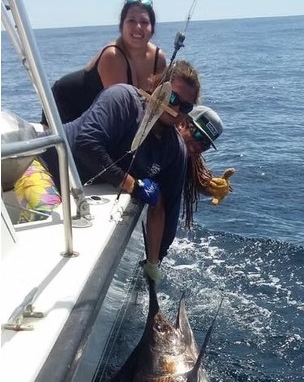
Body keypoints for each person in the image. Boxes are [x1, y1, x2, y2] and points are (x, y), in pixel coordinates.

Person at [41, 60, 201, 282]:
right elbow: (87, 145)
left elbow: (168, 208)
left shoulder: (174, 150)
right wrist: (133, 185)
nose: (175, 109)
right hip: (42, 167)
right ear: (157, 86)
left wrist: (154, 262)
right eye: (172, 98)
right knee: (40, 229)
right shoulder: (122, 98)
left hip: (75, 193)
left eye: (185, 107)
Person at [48, 0, 166, 123]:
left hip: (103, 115)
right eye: (131, 20)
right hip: (66, 105)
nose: (138, 26)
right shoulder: (112, 56)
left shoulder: (158, 58)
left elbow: (159, 104)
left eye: (144, 22)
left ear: (152, 28)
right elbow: (121, 111)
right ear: (121, 26)